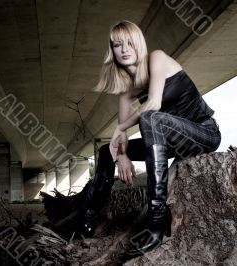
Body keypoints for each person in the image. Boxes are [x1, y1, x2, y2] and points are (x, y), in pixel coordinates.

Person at [78, 20, 221, 256]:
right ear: (112, 50)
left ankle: (156, 220)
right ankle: (89, 213)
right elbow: (120, 143)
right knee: (106, 151)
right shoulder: (126, 92)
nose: (124, 49)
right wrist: (122, 156)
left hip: (203, 133)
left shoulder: (157, 58)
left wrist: (119, 127)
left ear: (139, 45)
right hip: (171, 142)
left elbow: (153, 103)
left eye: (129, 43)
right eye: (117, 45)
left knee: (151, 118)